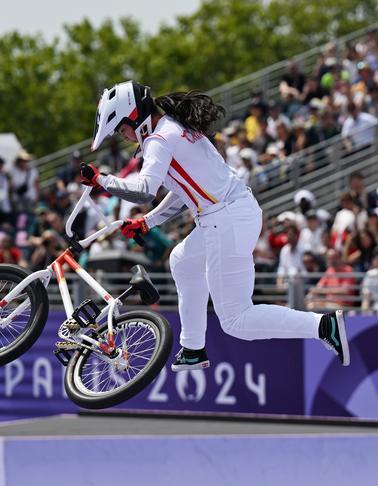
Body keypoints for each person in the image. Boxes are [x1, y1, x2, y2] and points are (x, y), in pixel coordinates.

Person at [82, 80, 351, 371]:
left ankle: (322, 326)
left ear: (134, 116)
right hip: (228, 215)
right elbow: (182, 191)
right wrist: (148, 221)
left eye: (121, 129)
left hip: (225, 219)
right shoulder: (172, 128)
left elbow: (145, 190)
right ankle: (193, 348)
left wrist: (102, 180)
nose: (123, 137)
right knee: (182, 261)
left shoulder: (160, 139)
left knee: (237, 321)